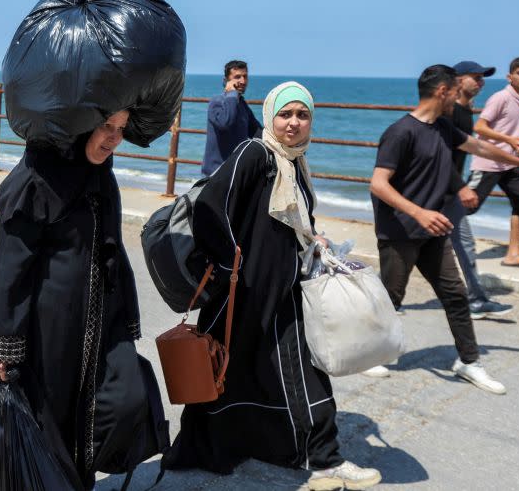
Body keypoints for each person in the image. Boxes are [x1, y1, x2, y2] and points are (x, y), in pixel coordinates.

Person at [163, 82, 382, 491]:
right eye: (286, 114)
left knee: (298, 370)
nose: (294, 123)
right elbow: (212, 207)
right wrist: (232, 266)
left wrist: (312, 238)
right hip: (239, 295)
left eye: (302, 115)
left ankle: (323, 458)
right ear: (270, 117)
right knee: (223, 373)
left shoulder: (295, 163)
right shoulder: (255, 154)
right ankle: (208, 449)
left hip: (281, 293)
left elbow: (290, 220)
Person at [0, 110, 165, 490]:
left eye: (120, 130)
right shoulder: (36, 178)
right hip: (48, 326)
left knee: (122, 400)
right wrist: (2, 342)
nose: (114, 138)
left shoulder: (100, 175)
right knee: (54, 418)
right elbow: (10, 265)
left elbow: (112, 248)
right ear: (80, 126)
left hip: (100, 318)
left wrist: (125, 313)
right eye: (106, 127)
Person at [370, 64, 519, 395]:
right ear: (443, 92)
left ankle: (469, 361)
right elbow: (378, 184)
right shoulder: (401, 132)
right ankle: (370, 353)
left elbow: (480, 148)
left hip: (434, 231)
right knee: (391, 297)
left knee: (455, 294)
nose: (460, 98)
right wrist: (419, 212)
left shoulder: (444, 128)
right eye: (455, 92)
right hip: (399, 231)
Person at [447, 61, 512, 318]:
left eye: (482, 78)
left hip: (447, 192)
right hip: (434, 192)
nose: (481, 82)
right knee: (407, 249)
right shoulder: (449, 111)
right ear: (459, 80)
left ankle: (476, 300)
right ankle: (387, 298)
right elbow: (440, 156)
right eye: (476, 77)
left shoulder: (465, 110)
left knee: (464, 244)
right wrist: (461, 186)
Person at [466, 56, 519, 267]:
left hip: (509, 162)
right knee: (467, 207)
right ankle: (427, 239)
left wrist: (514, 145)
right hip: (488, 162)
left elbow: (506, 129)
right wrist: (509, 140)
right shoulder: (501, 98)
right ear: (509, 76)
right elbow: (480, 128)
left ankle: (513, 254)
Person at [200, 60, 263, 176]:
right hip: (216, 173)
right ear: (226, 81)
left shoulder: (242, 105)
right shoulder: (216, 102)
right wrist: (232, 94)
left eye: (245, 76)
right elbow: (225, 123)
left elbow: (258, 132)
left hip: (236, 171)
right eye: (237, 77)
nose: (243, 81)